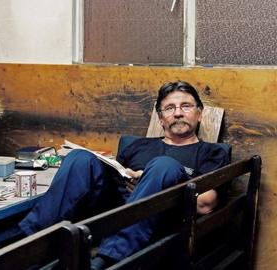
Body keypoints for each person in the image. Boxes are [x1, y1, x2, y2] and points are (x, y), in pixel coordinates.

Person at [17, 80, 230, 269]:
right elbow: (110, 181)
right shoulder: (138, 146)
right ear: (161, 119)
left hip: (161, 221)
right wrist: (126, 176)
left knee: (164, 166)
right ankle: (28, 246)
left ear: (199, 113)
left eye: (186, 106)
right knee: (79, 157)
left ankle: (106, 261)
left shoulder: (211, 152)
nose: (178, 113)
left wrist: (153, 181)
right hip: (115, 212)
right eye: (169, 108)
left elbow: (206, 204)